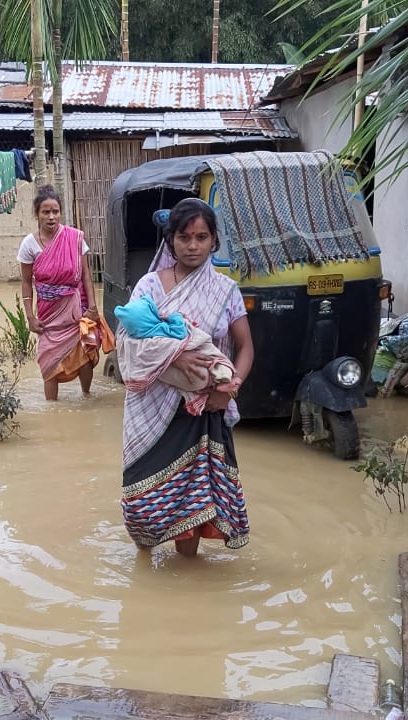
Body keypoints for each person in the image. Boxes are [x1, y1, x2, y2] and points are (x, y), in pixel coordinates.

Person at [119, 198, 255, 557]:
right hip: (151, 408)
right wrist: (178, 353)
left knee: (194, 508)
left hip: (205, 410)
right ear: (171, 240)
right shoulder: (149, 287)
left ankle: (187, 576)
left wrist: (230, 391)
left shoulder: (225, 291)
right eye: (184, 237)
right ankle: (144, 558)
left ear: (214, 241)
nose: (193, 246)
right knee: (140, 507)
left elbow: (245, 348)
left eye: (201, 237)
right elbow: (126, 345)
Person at [18, 185, 112, 401]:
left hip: (79, 309)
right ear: (37, 214)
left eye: (55, 211)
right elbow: (25, 282)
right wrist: (30, 317)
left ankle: (87, 397)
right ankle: (52, 408)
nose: (51, 217)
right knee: (48, 361)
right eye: (46, 212)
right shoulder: (29, 244)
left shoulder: (75, 238)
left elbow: (86, 275)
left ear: (61, 212)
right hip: (48, 315)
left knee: (87, 354)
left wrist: (93, 308)